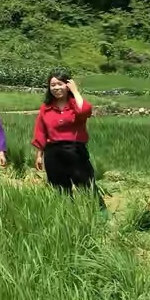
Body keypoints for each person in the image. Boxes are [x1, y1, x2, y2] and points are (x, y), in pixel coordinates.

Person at [32, 72, 103, 205]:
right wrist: (39, 155)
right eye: (52, 85)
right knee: (60, 190)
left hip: (75, 151)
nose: (56, 88)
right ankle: (68, 217)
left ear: (68, 85)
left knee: (87, 185)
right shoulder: (46, 108)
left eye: (60, 84)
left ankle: (100, 215)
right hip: (53, 153)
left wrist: (75, 91)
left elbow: (85, 111)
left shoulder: (75, 105)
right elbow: (41, 132)